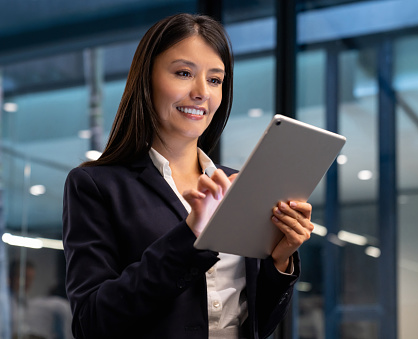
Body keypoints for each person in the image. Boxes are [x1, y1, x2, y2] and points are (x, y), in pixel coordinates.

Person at [62, 13, 314, 339]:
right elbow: (91, 322)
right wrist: (190, 236)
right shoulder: (96, 186)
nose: (201, 93)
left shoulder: (238, 185)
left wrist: (280, 259)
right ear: (146, 79)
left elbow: (258, 325)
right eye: (184, 73)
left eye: (215, 80)